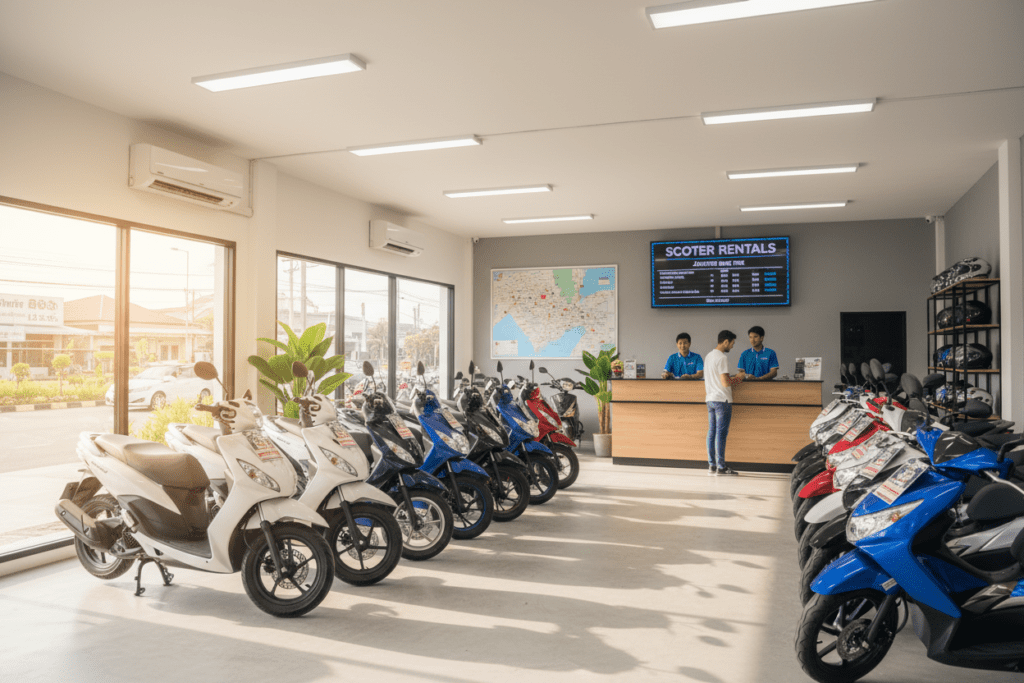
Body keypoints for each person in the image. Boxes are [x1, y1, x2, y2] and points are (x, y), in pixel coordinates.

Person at [704, 330, 745, 476]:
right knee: (721, 434)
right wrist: (739, 377)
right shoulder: (722, 358)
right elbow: (725, 382)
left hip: (710, 399)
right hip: (722, 400)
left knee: (711, 433)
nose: (732, 347)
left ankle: (712, 465)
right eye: (732, 343)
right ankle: (721, 467)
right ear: (726, 341)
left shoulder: (708, 356)